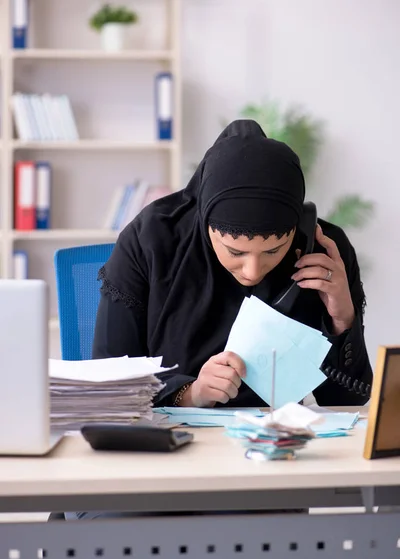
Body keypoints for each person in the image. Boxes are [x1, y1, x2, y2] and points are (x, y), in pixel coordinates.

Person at [93, 119, 372, 408]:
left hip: (278, 444)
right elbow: (109, 381)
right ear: (205, 223)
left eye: (273, 251)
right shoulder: (150, 241)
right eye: (235, 252)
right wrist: (190, 393)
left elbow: (348, 399)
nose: (252, 272)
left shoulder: (323, 250)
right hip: (173, 443)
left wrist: (342, 320)